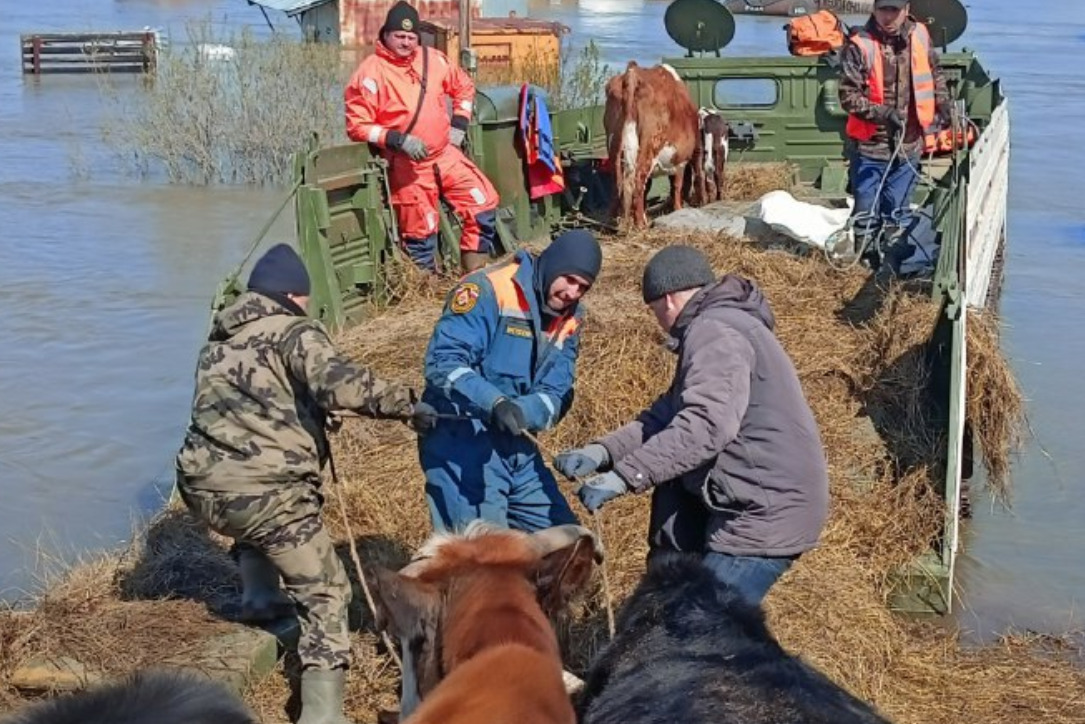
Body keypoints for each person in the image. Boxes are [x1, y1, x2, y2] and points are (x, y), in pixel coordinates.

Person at [174, 243, 436, 724]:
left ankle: (260, 599)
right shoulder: (293, 330)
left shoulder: (218, 341)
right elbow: (340, 383)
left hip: (202, 488)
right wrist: (405, 403)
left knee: (255, 521)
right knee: (328, 593)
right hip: (264, 493)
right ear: (294, 296)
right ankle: (322, 714)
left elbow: (256, 406)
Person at [553, 245, 829, 606]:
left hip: (763, 512)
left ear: (667, 300)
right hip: (749, 497)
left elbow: (705, 425)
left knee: (700, 626)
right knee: (689, 615)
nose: (659, 321)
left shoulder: (714, 332)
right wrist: (602, 452)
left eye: (654, 311)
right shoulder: (723, 324)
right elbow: (666, 416)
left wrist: (625, 476)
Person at [418, 229, 602, 533]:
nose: (572, 292)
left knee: (567, 547)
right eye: (569, 279)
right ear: (554, 264)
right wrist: (495, 402)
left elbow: (556, 392)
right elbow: (444, 362)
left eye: (583, 287)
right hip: (463, 443)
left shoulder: (571, 319)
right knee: (485, 560)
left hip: (518, 447)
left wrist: (522, 411)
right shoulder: (489, 289)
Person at [344, 1, 500, 274]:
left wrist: (459, 124)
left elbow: (464, 88)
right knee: (420, 237)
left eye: (411, 37)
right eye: (399, 36)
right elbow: (357, 126)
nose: (405, 42)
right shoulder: (370, 73)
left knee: (483, 205)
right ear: (386, 35)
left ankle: (473, 280)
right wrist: (397, 140)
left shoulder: (434, 59)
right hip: (408, 166)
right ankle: (425, 295)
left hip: (445, 155)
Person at [838, 0, 951, 268]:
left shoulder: (920, 36)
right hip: (870, 144)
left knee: (897, 210)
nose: (887, 16)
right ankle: (866, 261)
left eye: (894, 10)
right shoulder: (859, 44)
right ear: (874, 9)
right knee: (866, 210)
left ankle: (892, 266)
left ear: (906, 9)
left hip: (910, 143)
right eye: (882, 9)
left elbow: (936, 76)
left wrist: (943, 104)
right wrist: (883, 113)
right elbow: (848, 96)